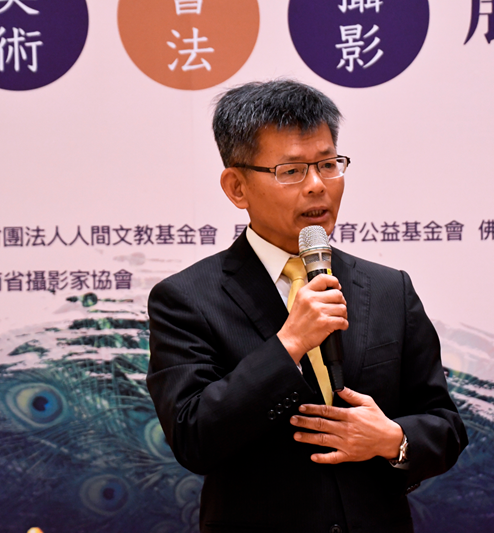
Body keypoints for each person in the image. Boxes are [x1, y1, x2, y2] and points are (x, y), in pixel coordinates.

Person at [147, 80, 468, 533]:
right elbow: (193, 438)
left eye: (328, 164)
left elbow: (446, 426)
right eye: (292, 170)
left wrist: (393, 440)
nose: (318, 186)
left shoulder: (388, 288)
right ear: (237, 187)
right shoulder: (187, 299)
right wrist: (288, 345)